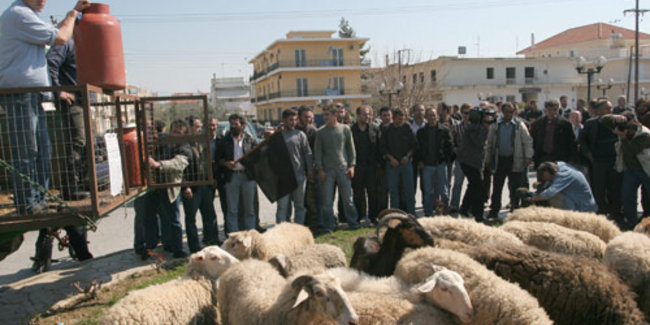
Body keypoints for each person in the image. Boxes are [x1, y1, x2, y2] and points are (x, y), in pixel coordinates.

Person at [0, 0, 90, 214]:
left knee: (43, 150)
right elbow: (60, 37)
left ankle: (39, 200)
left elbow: (55, 33)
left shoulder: (26, 15)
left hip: (32, 95)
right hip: (20, 94)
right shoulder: (20, 14)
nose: (44, 1)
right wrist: (73, 13)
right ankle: (28, 204)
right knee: (27, 150)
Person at [145, 119, 192, 259]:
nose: (175, 134)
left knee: (174, 219)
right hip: (154, 187)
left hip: (171, 187)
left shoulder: (184, 146)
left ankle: (178, 248)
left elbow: (178, 163)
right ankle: (163, 245)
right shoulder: (161, 141)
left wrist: (158, 164)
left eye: (179, 132)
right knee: (155, 218)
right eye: (173, 131)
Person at [314, 105, 359, 233]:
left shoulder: (345, 129)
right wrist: (320, 170)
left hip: (343, 169)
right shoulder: (320, 132)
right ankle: (329, 225)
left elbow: (351, 149)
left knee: (348, 199)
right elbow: (318, 153)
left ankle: (353, 223)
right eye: (324, 115)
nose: (325, 117)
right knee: (327, 202)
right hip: (327, 171)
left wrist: (352, 166)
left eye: (327, 115)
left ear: (335, 115)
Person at [601, 113, 650, 230]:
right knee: (627, 197)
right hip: (631, 170)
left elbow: (632, 150)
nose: (626, 130)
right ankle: (632, 224)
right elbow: (603, 121)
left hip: (646, 169)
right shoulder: (621, 129)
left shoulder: (644, 134)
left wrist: (622, 137)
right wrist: (614, 117)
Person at [486, 103, 533, 219]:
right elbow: (489, 144)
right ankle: (494, 210)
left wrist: (528, 157)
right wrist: (487, 159)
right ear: (502, 112)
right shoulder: (496, 126)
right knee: (497, 187)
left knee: (515, 187)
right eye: (506, 112)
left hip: (514, 160)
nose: (508, 114)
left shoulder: (519, 125)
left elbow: (527, 142)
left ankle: (514, 210)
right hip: (500, 160)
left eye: (511, 112)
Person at [579, 100, 623, 223]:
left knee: (615, 188)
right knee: (599, 189)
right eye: (606, 109)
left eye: (610, 108)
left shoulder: (617, 121)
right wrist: (589, 154)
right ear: (598, 111)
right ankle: (601, 212)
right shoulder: (590, 123)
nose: (610, 111)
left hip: (614, 161)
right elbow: (582, 140)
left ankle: (616, 213)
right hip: (598, 161)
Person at [181, 117, 219, 253]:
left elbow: (208, 162)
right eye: (197, 126)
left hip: (206, 184)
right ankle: (194, 246)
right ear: (190, 128)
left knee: (209, 214)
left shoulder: (203, 142)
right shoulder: (184, 144)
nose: (200, 129)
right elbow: (181, 168)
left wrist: (212, 178)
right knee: (191, 218)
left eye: (200, 126)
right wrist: (185, 186)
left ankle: (211, 240)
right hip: (192, 187)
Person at [217, 114, 258, 235]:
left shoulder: (250, 140)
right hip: (232, 177)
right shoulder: (224, 141)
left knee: (249, 209)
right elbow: (218, 158)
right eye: (231, 124)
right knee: (232, 210)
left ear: (243, 125)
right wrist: (225, 163)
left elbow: (257, 157)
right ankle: (233, 237)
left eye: (236, 124)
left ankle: (250, 236)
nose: (233, 127)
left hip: (248, 176)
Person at [276, 109, 312, 224]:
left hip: (299, 176)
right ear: (284, 120)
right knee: (282, 207)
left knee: (299, 206)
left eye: (295, 120)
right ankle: (281, 232)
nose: (293, 122)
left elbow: (307, 153)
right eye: (291, 120)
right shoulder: (277, 136)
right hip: (283, 178)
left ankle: (298, 229)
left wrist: (310, 170)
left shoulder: (300, 135)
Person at [457, 106, 493, 221]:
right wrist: (486, 127)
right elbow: (479, 142)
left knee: (473, 186)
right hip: (470, 162)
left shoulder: (474, 126)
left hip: (473, 161)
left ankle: (464, 208)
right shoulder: (473, 127)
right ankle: (478, 214)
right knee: (478, 188)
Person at [416, 107, 453, 216]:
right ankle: (428, 214)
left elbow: (450, 146)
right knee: (428, 192)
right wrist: (420, 161)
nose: (432, 118)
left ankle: (445, 213)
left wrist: (446, 159)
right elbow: (418, 149)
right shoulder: (421, 132)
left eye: (433, 115)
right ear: (426, 117)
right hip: (427, 166)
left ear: (437, 116)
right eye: (429, 115)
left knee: (444, 192)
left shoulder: (444, 130)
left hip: (440, 164)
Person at [380, 108, 417, 214]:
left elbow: (414, 145)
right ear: (394, 118)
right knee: (393, 191)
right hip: (392, 164)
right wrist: (391, 159)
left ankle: (411, 214)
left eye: (402, 119)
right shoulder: (387, 129)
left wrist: (408, 156)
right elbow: (383, 147)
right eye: (399, 119)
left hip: (406, 162)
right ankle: (395, 215)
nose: (401, 121)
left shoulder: (407, 127)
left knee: (409, 190)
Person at [351, 105, 381, 224]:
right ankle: (360, 215)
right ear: (358, 116)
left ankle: (373, 216)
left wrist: (379, 163)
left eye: (369, 114)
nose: (367, 116)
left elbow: (379, 147)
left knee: (373, 193)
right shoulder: (351, 130)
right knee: (358, 193)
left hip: (372, 167)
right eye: (364, 114)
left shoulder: (375, 128)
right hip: (357, 166)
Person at [531, 161, 597, 212]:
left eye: (544, 176)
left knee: (554, 196)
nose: (545, 179)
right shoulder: (560, 167)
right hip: (577, 201)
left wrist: (531, 199)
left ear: (550, 171)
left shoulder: (564, 174)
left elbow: (549, 193)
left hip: (584, 208)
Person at [530, 99, 578, 168]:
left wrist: (571, 159)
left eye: (555, 109)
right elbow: (533, 141)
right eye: (550, 110)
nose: (553, 112)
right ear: (545, 110)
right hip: (542, 158)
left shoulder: (566, 124)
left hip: (560, 159)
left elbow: (572, 142)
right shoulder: (538, 124)